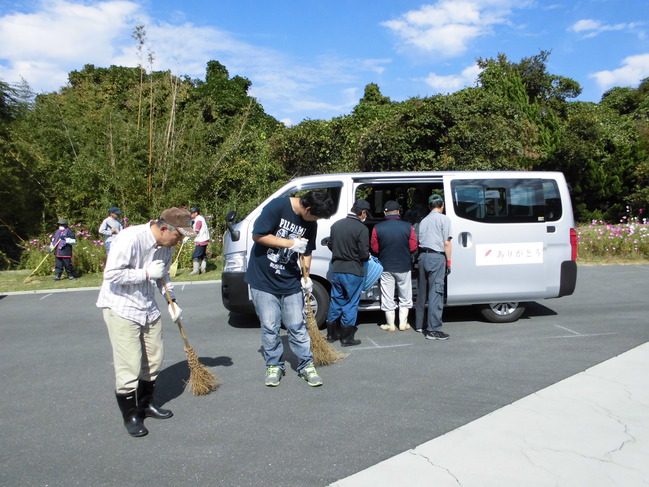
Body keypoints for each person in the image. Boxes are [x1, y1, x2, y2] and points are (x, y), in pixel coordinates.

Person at [96, 207, 197, 437]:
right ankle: (131, 415)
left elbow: (164, 275)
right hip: (122, 308)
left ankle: (146, 404)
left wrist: (172, 301)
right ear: (163, 228)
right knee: (129, 365)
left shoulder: (166, 246)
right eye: (179, 235)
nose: (180, 241)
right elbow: (111, 274)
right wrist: (146, 274)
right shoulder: (129, 238)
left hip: (147, 307)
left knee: (154, 359)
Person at [245, 191, 335, 387]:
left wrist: (307, 276)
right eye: (316, 216)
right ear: (307, 208)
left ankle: (306, 365)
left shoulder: (311, 222)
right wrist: (290, 243)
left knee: (297, 326)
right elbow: (258, 235)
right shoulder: (277, 206)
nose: (316, 220)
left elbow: (307, 251)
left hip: (291, 280)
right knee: (270, 326)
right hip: (263, 279)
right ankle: (274, 365)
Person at [325, 200, 371, 346]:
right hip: (353, 270)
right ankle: (346, 338)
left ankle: (331, 335)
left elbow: (331, 244)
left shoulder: (336, 225)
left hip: (337, 269)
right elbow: (364, 254)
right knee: (351, 302)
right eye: (366, 214)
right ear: (363, 212)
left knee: (336, 300)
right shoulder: (362, 228)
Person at [370, 200, 418, 332]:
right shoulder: (408, 227)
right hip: (404, 266)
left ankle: (390, 324)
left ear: (385, 212)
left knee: (387, 295)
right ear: (398, 212)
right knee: (405, 295)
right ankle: (403, 323)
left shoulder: (377, 228)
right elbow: (413, 247)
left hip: (385, 266)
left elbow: (375, 248)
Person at [414, 194, 452, 340]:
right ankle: (433, 330)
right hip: (437, 257)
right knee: (436, 293)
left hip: (423, 257)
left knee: (422, 291)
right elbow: (447, 243)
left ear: (430, 206)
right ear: (442, 206)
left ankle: (419, 324)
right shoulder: (444, 219)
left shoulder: (423, 221)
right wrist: (449, 261)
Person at [189, 206, 210, 275]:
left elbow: (196, 231)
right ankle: (203, 270)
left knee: (195, 256)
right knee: (202, 255)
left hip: (202, 240)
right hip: (203, 239)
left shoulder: (199, 220)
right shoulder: (198, 219)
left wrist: (188, 236)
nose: (190, 214)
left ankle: (196, 271)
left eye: (192, 213)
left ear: (196, 213)